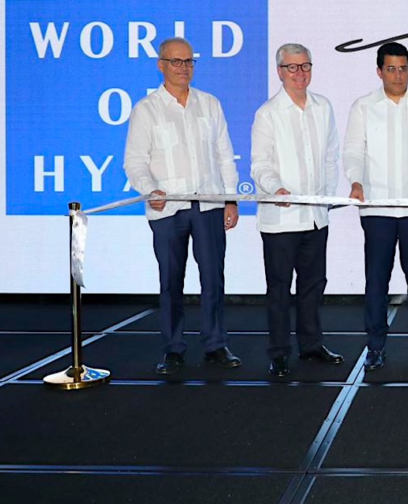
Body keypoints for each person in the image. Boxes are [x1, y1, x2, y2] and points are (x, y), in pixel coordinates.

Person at [123, 37, 241, 375]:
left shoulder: (210, 103)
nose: (183, 67)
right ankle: (173, 349)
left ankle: (215, 344)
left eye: (189, 61)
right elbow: (134, 161)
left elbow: (224, 155)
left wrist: (230, 198)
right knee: (171, 281)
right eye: (176, 61)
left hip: (209, 204)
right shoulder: (147, 109)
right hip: (167, 210)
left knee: (213, 278)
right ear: (161, 65)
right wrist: (150, 190)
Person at [343, 42, 408, 372]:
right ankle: (375, 347)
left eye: (403, 68)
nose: (398, 75)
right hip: (377, 208)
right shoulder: (363, 107)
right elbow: (353, 151)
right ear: (379, 72)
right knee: (376, 281)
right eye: (391, 69)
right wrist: (355, 181)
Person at [250, 43, 344, 378]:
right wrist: (275, 188)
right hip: (281, 219)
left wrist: (326, 197)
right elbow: (260, 164)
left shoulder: (323, 107)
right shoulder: (268, 114)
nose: (299, 73)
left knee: (313, 285)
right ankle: (278, 353)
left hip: (315, 217)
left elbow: (331, 156)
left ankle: (311, 345)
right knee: (279, 289)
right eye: (292, 67)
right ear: (280, 71)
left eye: (305, 66)